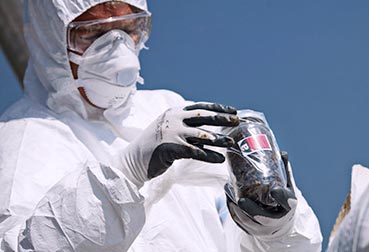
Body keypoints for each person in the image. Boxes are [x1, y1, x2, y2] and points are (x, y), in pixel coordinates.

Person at [0, 0, 322, 251]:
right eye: (94, 33)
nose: (117, 50)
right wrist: (125, 174)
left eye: (128, 29)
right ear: (51, 37)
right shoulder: (25, 138)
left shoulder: (167, 109)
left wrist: (275, 229)